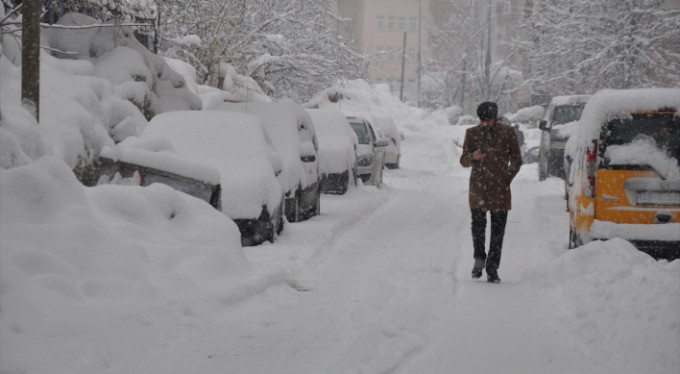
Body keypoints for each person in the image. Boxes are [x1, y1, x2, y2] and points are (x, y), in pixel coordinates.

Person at [459, 102, 523, 283]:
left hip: (500, 191)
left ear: (495, 118)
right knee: (478, 228)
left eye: (488, 120)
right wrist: (473, 157)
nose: (485, 123)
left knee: (498, 231)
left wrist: (506, 179)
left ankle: (492, 268)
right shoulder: (472, 133)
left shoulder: (508, 133)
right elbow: (463, 161)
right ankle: (479, 261)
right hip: (478, 189)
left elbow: (517, 160)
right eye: (482, 120)